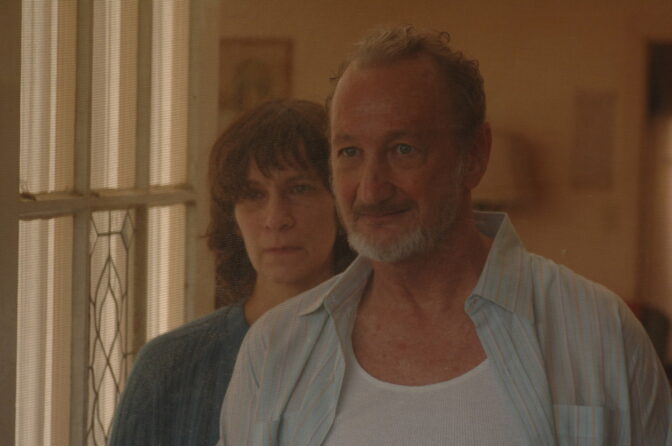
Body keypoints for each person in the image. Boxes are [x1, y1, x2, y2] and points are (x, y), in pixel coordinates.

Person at [219, 26, 672, 445]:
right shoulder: (276, 350)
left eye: (403, 149)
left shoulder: (599, 333)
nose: (371, 189)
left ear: (474, 156)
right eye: (350, 152)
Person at [108, 99, 354, 446]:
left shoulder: (380, 353)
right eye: (254, 194)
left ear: (341, 205)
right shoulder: (170, 365)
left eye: (299, 189)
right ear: (233, 218)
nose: (275, 218)